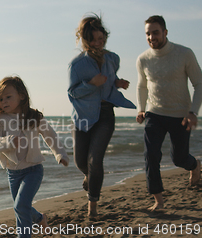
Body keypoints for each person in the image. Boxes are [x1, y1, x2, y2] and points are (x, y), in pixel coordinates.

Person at [0, 76, 69, 237]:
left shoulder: (34, 117)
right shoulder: (0, 120)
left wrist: (60, 154)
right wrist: (8, 142)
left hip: (33, 170)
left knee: (21, 206)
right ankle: (39, 218)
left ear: (21, 95)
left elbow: (50, 135)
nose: (4, 102)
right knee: (22, 207)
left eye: (8, 97)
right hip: (13, 173)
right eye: (0, 99)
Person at [68, 14, 136, 216]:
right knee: (81, 162)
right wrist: (91, 84)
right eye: (94, 40)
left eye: (102, 39)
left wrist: (118, 83)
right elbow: (72, 92)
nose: (99, 43)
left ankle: (92, 206)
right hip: (82, 116)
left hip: (106, 114)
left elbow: (111, 80)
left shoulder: (113, 58)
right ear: (85, 40)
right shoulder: (77, 65)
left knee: (95, 160)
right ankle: (90, 177)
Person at [136, 15, 202, 211]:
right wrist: (141, 108)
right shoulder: (142, 59)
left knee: (179, 159)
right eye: (148, 34)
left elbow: (199, 84)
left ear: (165, 32)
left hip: (180, 115)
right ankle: (158, 200)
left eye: (155, 32)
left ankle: (194, 165)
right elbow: (142, 86)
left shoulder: (184, 54)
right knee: (151, 155)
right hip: (154, 113)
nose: (151, 37)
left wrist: (193, 112)